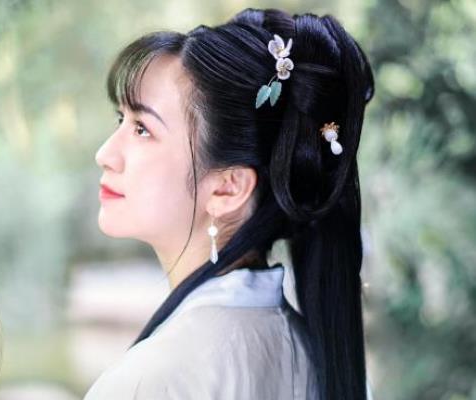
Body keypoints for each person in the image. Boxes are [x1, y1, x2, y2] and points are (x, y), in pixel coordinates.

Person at [89, 6, 375, 400]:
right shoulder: (323, 364)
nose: (105, 154)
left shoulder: (148, 382)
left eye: (142, 129)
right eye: (119, 120)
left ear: (228, 188)